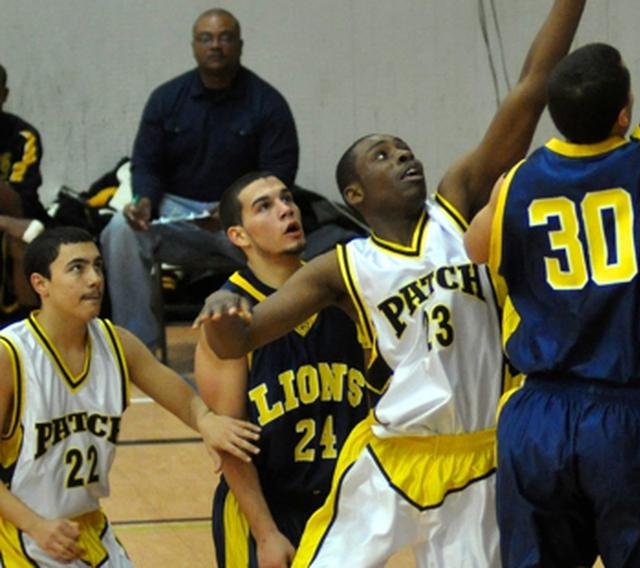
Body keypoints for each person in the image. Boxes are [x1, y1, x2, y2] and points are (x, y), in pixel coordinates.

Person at [195, 1, 585, 565]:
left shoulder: (456, 208)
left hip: (479, 457)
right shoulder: (344, 266)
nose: (403, 157)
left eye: (405, 149)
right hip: (394, 454)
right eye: (383, 155)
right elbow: (244, 338)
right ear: (355, 194)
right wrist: (220, 314)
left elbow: (531, 90)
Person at [462, 0, 640, 565]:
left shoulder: (516, 185)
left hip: (536, 418)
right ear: (624, 115)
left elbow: (474, 247)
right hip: (630, 422)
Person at [0, 226, 261, 566]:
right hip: (21, 533)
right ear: (41, 284)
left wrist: (206, 421)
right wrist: (34, 524)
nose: (94, 279)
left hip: (89, 529)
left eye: (98, 266)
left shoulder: (117, 344)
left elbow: (182, 397)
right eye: (77, 268)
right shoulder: (11, 356)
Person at [195, 172, 372, 568]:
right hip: (264, 509)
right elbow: (231, 443)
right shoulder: (228, 319)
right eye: (265, 206)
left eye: (286, 199)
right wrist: (266, 533)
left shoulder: (341, 293)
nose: (286, 209)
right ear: (239, 236)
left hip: (339, 508)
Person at [101, 8, 299, 353]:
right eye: (206, 38)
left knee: (280, 233)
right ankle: (137, 350)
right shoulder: (166, 99)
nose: (215, 46)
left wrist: (231, 214)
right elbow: (146, 163)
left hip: (239, 221)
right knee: (119, 230)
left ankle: (277, 344)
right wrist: (144, 200)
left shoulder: (267, 103)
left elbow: (277, 176)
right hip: (177, 215)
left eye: (225, 37)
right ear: (194, 46)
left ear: (239, 45)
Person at [0, 63, 49, 319]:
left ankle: (26, 328)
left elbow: (16, 204)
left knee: (23, 236)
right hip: (5, 222)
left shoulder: (23, 136)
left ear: (4, 95)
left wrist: (7, 221)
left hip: (19, 219)